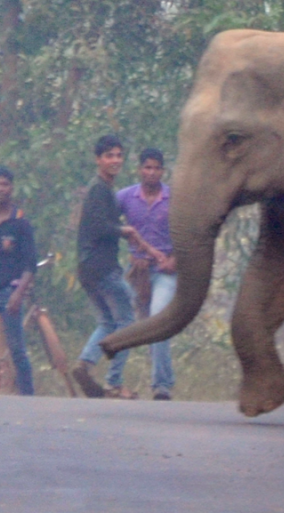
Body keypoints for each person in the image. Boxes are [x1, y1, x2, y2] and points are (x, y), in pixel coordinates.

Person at [72, 135, 152, 399]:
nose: (115, 160)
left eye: (118, 155)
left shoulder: (104, 188)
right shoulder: (99, 189)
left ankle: (85, 364)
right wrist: (124, 230)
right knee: (128, 323)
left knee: (107, 321)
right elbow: (97, 227)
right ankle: (114, 383)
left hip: (87, 268)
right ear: (98, 160)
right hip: (102, 267)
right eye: (109, 155)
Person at [117, 148, 177, 400]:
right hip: (136, 271)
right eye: (147, 167)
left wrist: (175, 260)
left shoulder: (173, 197)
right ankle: (112, 382)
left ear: (162, 171)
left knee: (158, 319)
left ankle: (161, 385)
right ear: (140, 170)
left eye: (156, 168)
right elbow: (103, 223)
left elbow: (190, 231)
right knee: (121, 320)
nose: (151, 172)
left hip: (165, 272)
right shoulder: (124, 196)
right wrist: (124, 232)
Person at [0, 166, 37, 395]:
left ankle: (28, 398)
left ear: (11, 188)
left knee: (17, 350)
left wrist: (18, 293)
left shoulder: (20, 222)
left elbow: (30, 265)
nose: (0, 189)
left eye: (4, 184)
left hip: (8, 294)